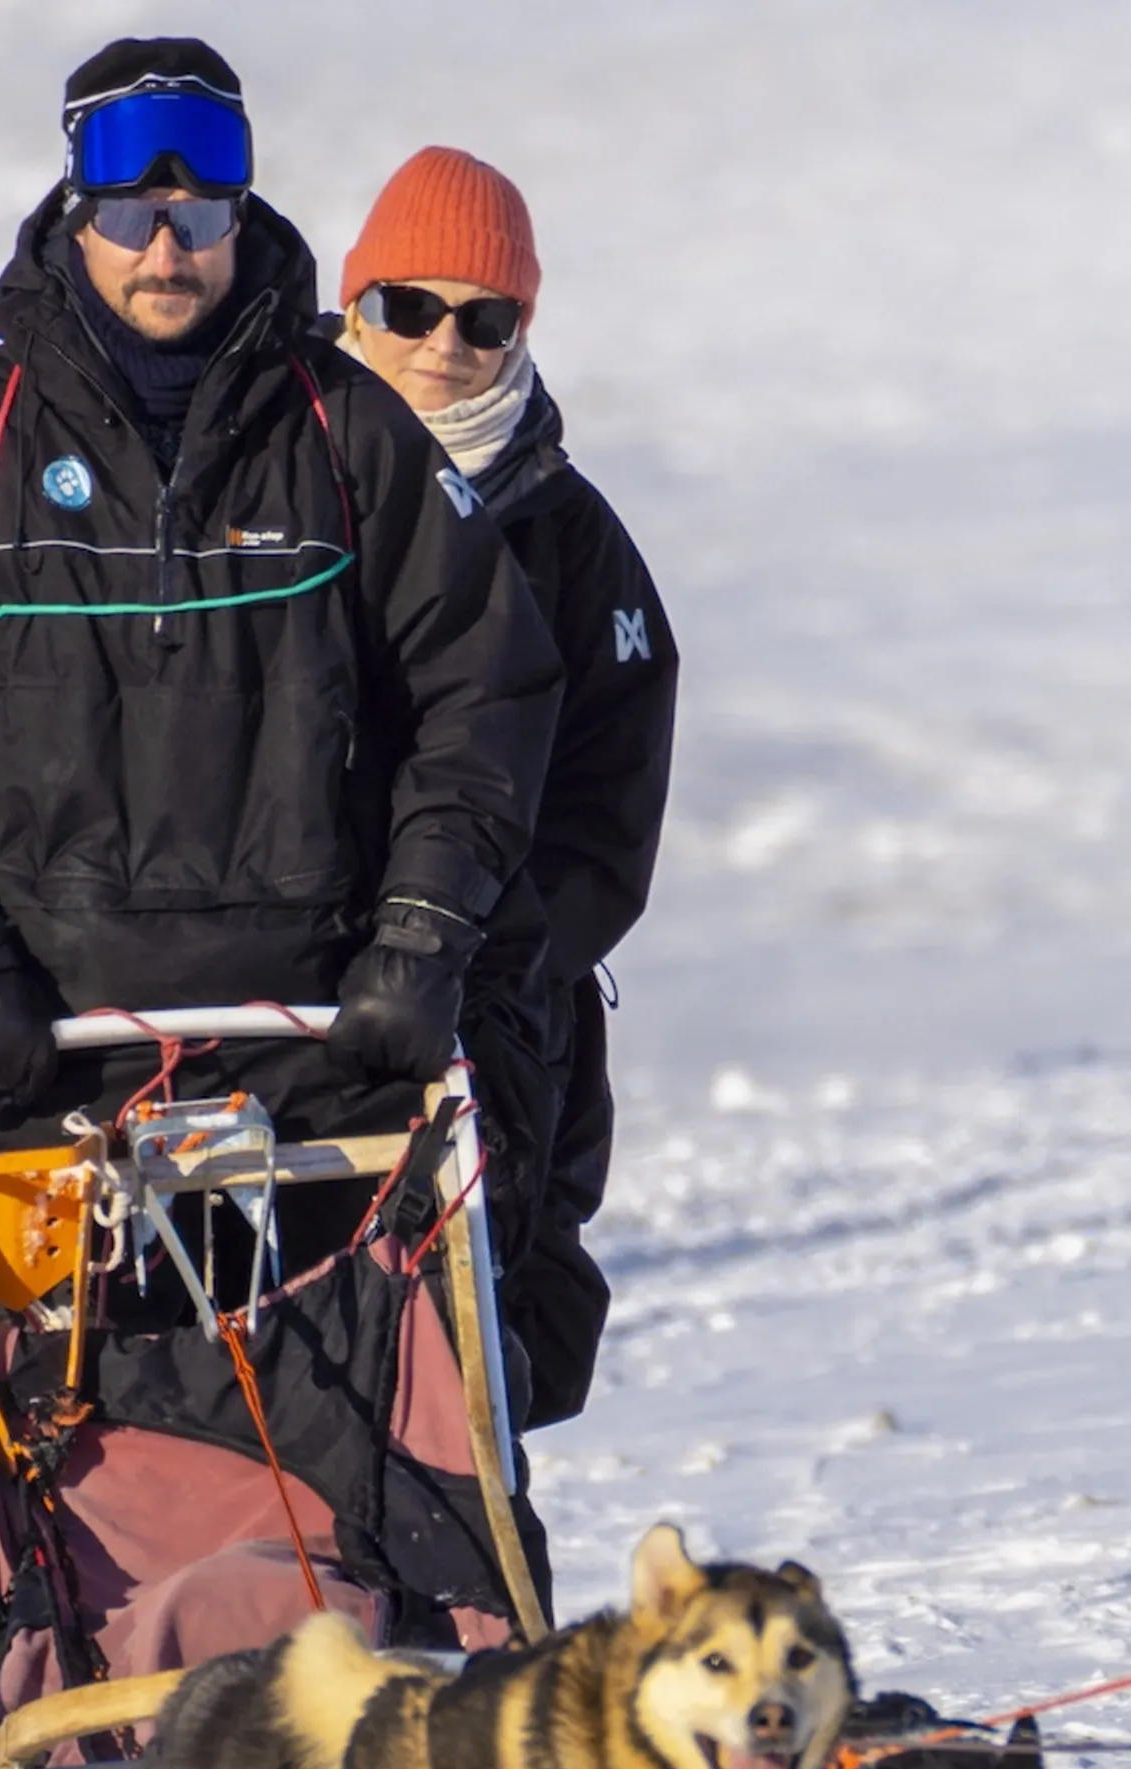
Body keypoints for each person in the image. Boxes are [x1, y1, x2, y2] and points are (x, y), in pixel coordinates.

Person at [0, 40, 565, 1660]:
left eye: (200, 202)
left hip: (326, 1056)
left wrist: (421, 939)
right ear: (75, 209)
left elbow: (482, 693)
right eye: (132, 204)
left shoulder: (346, 431)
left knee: (385, 1450)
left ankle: (441, 1720)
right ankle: (6, 1754)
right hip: (44, 1048)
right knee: (54, 1465)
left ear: (239, 209)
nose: (168, 244)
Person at [331, 146, 677, 1429]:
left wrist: (491, 962)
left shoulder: (573, 538)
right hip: (280, 995)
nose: (443, 346)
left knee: (477, 1357)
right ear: (355, 305)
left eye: (484, 319)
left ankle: (473, 1611)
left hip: (496, 1013)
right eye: (409, 308)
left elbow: (610, 807)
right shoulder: (272, 483)